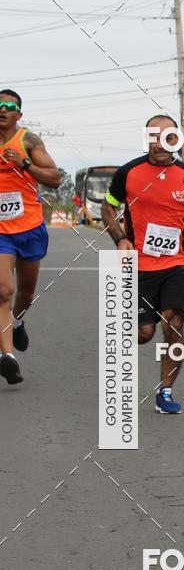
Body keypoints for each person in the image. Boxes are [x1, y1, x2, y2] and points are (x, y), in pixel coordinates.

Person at [102, 114, 184, 414]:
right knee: (143, 333)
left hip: (177, 262)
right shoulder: (128, 173)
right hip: (139, 265)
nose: (159, 142)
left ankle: (165, 390)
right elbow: (107, 206)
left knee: (174, 323)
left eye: (167, 136)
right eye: (153, 136)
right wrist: (119, 238)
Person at [0, 89, 61, 385]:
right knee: (3, 291)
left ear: (18, 115)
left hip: (30, 227)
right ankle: (8, 357)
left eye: (8, 106)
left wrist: (24, 164)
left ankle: (19, 320)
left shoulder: (28, 141)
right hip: (1, 233)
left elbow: (54, 178)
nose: (2, 109)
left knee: (24, 294)